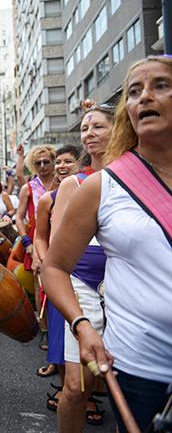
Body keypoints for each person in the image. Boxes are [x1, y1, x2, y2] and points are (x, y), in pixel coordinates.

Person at [42, 55, 172, 432]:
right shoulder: (101, 185)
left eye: (160, 85)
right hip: (139, 359)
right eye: (135, 91)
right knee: (76, 388)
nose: (145, 97)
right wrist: (81, 325)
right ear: (127, 112)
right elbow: (54, 262)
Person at [44, 104, 115, 432]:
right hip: (84, 287)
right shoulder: (73, 184)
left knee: (128, 389)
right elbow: (58, 251)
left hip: (126, 288)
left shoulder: (140, 177)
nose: (89, 134)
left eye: (98, 126)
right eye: (85, 129)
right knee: (76, 387)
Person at [32, 145, 81, 407]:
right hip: (59, 273)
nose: (61, 166)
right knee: (61, 336)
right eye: (58, 162)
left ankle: (90, 395)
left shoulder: (91, 191)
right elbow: (40, 236)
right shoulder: (47, 199)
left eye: (68, 161)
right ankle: (66, 389)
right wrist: (46, 260)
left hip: (88, 273)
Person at [15, 144, 56, 348]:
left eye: (46, 162)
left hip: (59, 238)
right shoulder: (28, 188)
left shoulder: (63, 184)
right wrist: (27, 243)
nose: (42, 166)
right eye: (38, 163)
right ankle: (45, 329)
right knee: (41, 284)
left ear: (53, 162)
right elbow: (19, 218)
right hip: (36, 240)